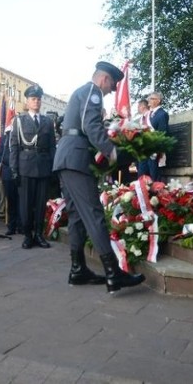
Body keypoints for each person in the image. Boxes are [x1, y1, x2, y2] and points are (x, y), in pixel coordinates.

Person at [53, 61, 145, 293]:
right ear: (104, 79)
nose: (111, 91)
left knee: (76, 216)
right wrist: (112, 152)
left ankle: (78, 270)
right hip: (76, 159)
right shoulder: (92, 93)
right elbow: (90, 125)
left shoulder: (81, 92)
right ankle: (113, 274)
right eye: (112, 86)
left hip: (67, 158)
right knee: (94, 215)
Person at [10, 84, 57, 249]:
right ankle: (27, 235)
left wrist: (53, 167)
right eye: (33, 99)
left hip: (43, 166)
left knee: (40, 203)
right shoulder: (19, 121)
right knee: (26, 204)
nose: (36, 102)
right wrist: (14, 169)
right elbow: (14, 146)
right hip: (26, 166)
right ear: (27, 101)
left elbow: (52, 146)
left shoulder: (47, 121)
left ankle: (39, 234)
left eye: (38, 99)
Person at [137, 91, 169, 182]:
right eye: (148, 99)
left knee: (154, 177)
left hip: (154, 151)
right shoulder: (149, 115)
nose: (148, 101)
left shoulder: (162, 114)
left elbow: (162, 133)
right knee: (142, 176)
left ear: (158, 101)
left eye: (151, 98)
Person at [0, 125, 21, 235]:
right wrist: (11, 162)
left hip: (20, 174)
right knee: (11, 202)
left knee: (21, 201)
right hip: (7, 174)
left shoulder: (22, 137)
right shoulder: (4, 139)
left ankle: (21, 226)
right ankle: (11, 226)